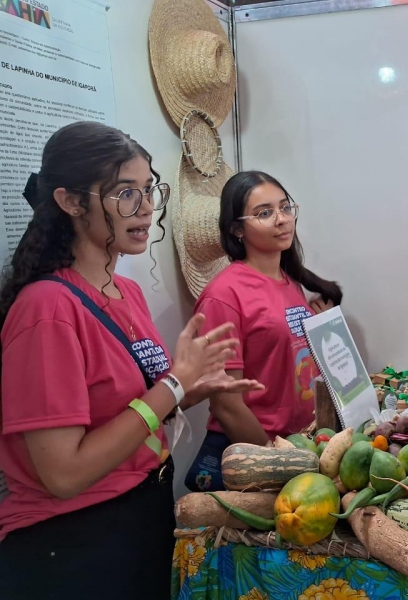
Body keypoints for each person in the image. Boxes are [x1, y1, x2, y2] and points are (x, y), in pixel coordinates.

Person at [0, 121, 262, 599]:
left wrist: (193, 388)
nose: (145, 208)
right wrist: (174, 386)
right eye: (125, 193)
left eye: (148, 189)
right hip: (74, 542)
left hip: (142, 511)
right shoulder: (46, 308)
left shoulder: (128, 292)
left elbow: (129, 413)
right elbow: (63, 474)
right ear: (70, 202)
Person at [185, 171, 342, 492]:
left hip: (298, 448)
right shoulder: (223, 295)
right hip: (257, 457)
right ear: (237, 229)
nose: (282, 219)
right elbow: (226, 404)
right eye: (265, 213)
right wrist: (275, 463)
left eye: (285, 207)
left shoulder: (290, 283)